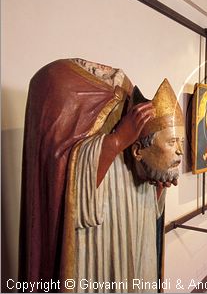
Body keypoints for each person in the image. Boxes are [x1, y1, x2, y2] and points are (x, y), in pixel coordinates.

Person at [19, 58, 185, 291]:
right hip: (99, 239)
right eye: (173, 142)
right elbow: (63, 186)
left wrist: (157, 180)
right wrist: (116, 141)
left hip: (136, 222)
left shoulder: (126, 94)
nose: (180, 149)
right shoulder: (59, 84)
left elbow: (146, 178)